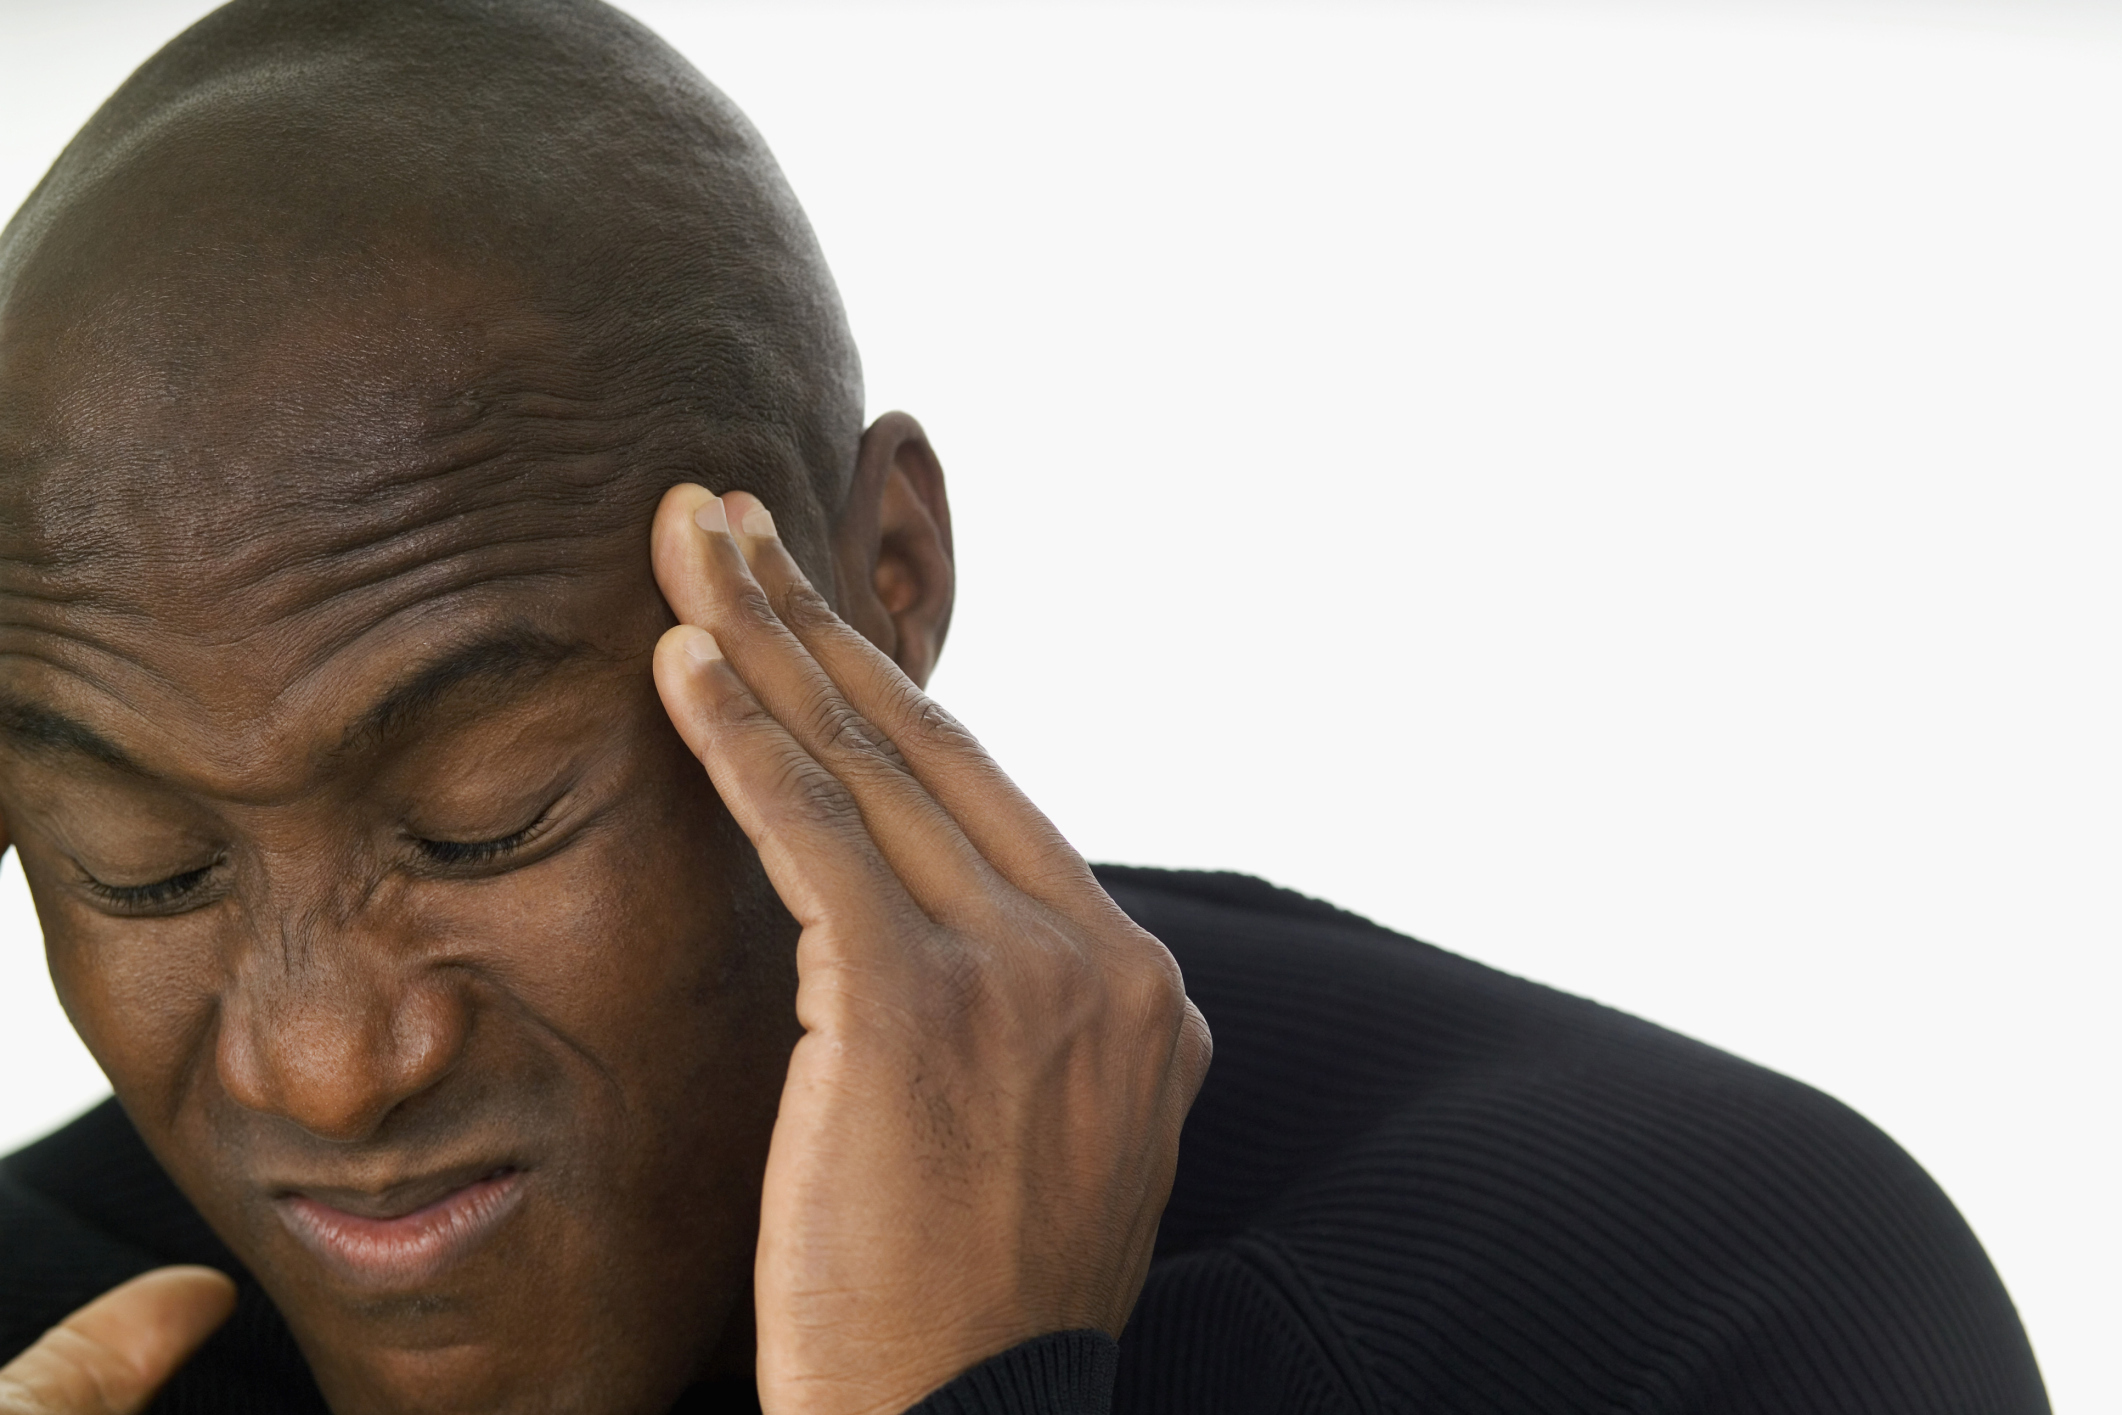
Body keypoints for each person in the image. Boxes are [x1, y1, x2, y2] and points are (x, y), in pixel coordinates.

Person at [0, 2, 2049, 1413]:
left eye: (484, 817)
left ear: (878, 580)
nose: (324, 1070)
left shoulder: (1670, 1311)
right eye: (144, 869)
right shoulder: (51, 1326)